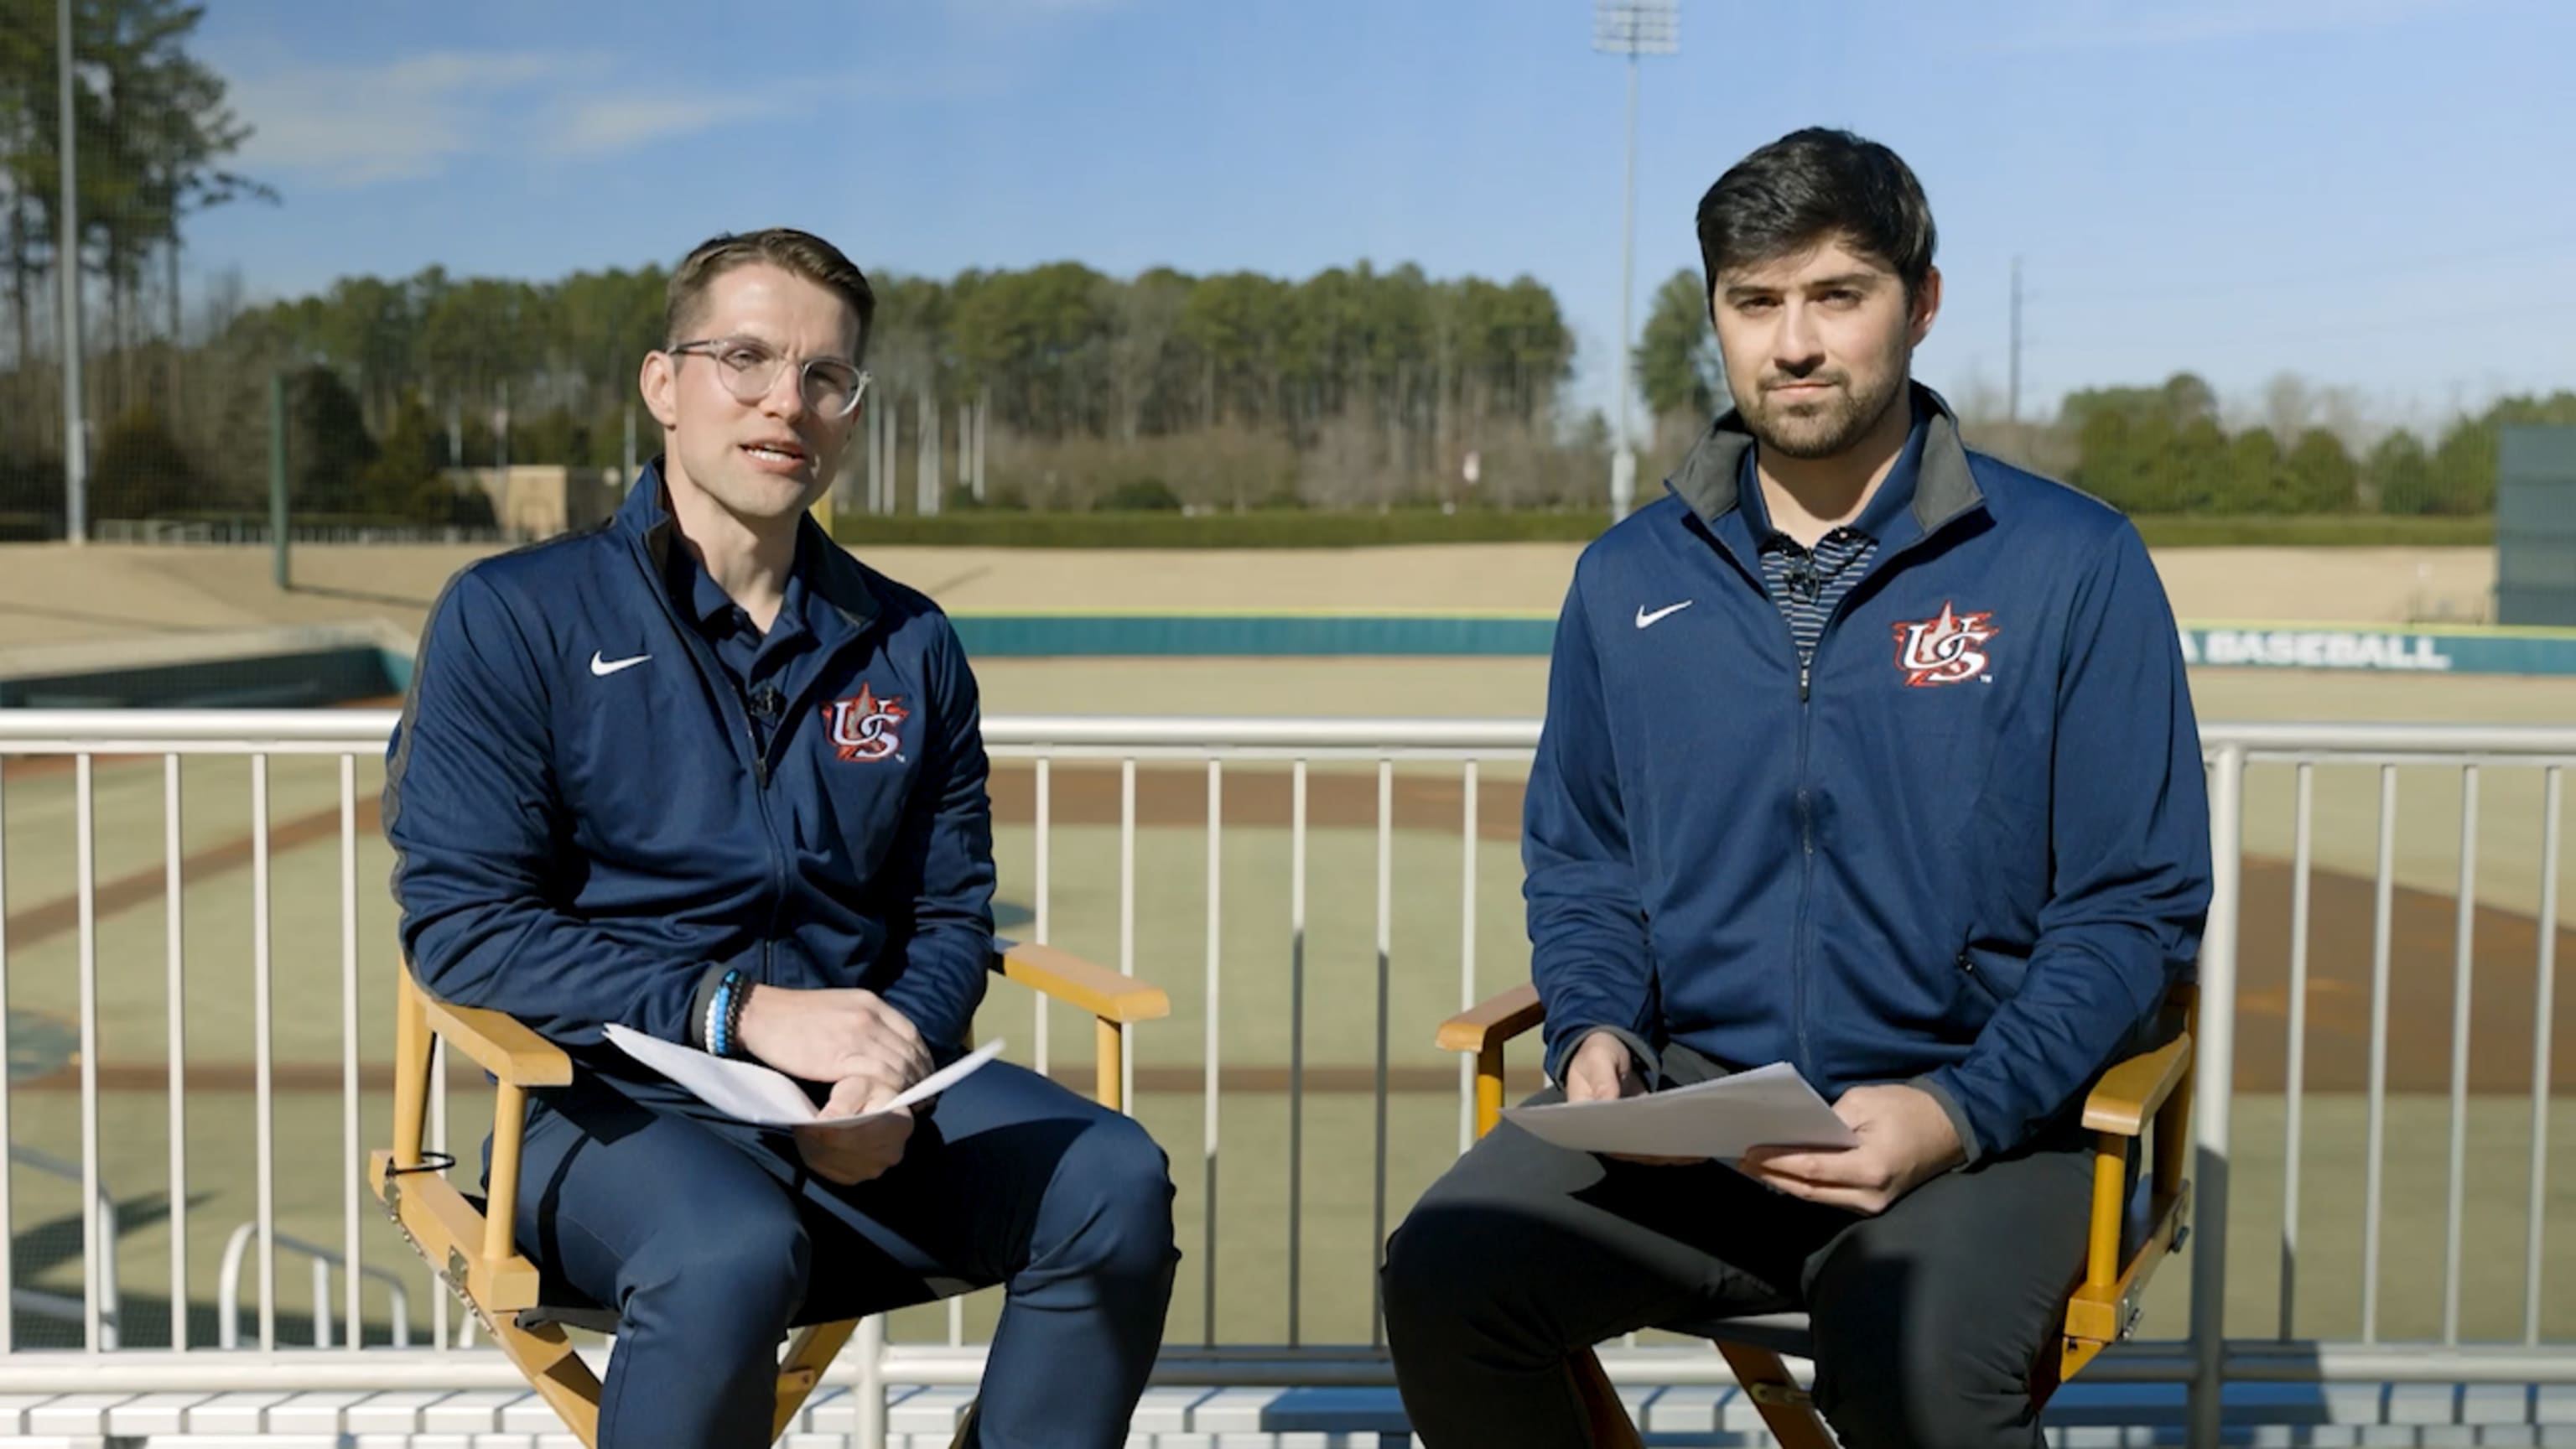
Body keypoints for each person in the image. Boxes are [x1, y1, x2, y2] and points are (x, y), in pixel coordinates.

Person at [1379, 128, 2212, 1448]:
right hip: (1703, 1121)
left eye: (1838, 294)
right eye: (1755, 303)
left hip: (1985, 1124)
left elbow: (2133, 907)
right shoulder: (1623, 577)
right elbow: (1586, 862)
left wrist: (1954, 1112)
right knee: (1444, 1273)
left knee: (1918, 1368)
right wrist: (1598, 1030)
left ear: (1921, 302)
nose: (1795, 344)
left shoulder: (2074, 563)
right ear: (1716, 317)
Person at [383, 227, 1177, 1449]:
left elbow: (951, 913)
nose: (784, 402)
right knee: (728, 1253)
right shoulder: (515, 615)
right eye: (744, 358)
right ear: (664, 383)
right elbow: (467, 930)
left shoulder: (912, 645)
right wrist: (734, 1014)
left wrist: (890, 1058)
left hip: (863, 1108)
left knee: (1112, 1181)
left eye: (825, 377)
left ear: (853, 411)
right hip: (602, 1105)